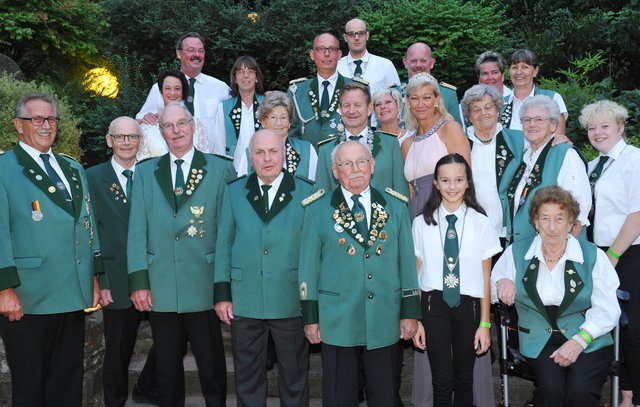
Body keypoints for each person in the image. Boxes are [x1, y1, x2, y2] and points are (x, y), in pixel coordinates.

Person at [127, 103, 235, 407]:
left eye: (181, 123)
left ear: (193, 125)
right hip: (161, 285)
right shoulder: (146, 171)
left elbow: (227, 232)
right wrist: (138, 282)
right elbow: (136, 230)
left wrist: (224, 286)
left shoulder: (220, 169)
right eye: (168, 126)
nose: (176, 131)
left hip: (204, 283)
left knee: (211, 364)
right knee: (166, 367)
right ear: (161, 132)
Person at [299, 140, 421, 406]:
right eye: (346, 163)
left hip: (384, 318)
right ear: (335, 170)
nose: (355, 169)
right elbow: (308, 267)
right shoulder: (317, 209)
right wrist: (310, 316)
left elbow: (406, 264)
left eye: (361, 161)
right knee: (339, 397)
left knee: (384, 396)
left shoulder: (395, 206)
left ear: (372, 165)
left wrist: (410, 311)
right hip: (337, 320)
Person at [0, 92, 103, 406]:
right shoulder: (5, 168)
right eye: (37, 119)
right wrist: (4, 288)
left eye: (51, 119)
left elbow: (88, 224)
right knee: (30, 385)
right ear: (19, 125)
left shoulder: (72, 168)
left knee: (68, 381)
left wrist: (94, 277)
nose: (46, 125)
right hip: (29, 295)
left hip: (71, 291)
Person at [493, 186, 620, 407]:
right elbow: (492, 287)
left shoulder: (592, 256)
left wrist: (579, 341)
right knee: (552, 391)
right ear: (535, 221)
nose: (552, 227)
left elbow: (608, 309)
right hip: (538, 339)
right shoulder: (516, 253)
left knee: (580, 390)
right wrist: (501, 283)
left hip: (588, 334)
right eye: (545, 218)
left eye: (559, 219)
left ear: (571, 222)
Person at [214, 129, 313, 406]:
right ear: (250, 157)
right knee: (247, 378)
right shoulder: (235, 192)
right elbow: (224, 243)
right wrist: (222, 293)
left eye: (273, 151)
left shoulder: (307, 191)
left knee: (294, 378)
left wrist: (312, 300)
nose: (267, 158)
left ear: (284, 154)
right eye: (259, 152)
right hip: (246, 300)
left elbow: (314, 251)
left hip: (291, 299)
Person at [412, 153, 500, 406]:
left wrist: (485, 324)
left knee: (464, 379)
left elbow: (486, 277)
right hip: (433, 305)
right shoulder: (421, 223)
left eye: (458, 180)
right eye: (446, 180)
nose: (452, 187)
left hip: (468, 306)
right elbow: (416, 276)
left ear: (467, 183)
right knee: (440, 380)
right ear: (436, 184)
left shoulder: (481, 223)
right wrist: (417, 319)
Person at [87, 117, 159, 406]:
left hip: (153, 275)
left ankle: (147, 386)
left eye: (132, 136)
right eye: (120, 137)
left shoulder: (152, 174)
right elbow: (89, 230)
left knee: (174, 340)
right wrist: (100, 279)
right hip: (114, 278)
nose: (127, 142)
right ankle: (113, 402)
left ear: (141, 140)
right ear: (109, 141)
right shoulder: (91, 177)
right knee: (117, 350)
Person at [579, 100, 640, 407]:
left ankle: (634, 397)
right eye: (592, 127)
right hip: (600, 255)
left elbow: (638, 214)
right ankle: (625, 397)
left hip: (629, 253)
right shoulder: (593, 166)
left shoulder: (634, 160)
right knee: (614, 329)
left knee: (633, 330)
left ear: (620, 127)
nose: (598, 132)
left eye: (605, 126)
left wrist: (613, 255)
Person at [505, 95, 591, 244]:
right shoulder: (525, 157)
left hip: (554, 248)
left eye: (539, 119)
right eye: (527, 120)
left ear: (553, 125)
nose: (532, 124)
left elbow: (579, 210)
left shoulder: (565, 154)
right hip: (523, 245)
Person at [136, 32, 230, 150]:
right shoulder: (160, 89)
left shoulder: (221, 88)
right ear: (178, 53)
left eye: (201, 51)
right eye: (191, 50)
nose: (197, 54)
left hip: (210, 160)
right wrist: (144, 119)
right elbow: (138, 123)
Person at [314, 81, 408, 197]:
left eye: (358, 105)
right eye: (346, 105)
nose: (352, 111)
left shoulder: (390, 144)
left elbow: (401, 195)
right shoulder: (326, 149)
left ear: (369, 109)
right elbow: (321, 198)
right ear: (340, 109)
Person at [401, 73, 470, 219]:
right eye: (414, 98)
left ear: (437, 99)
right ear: (408, 101)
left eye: (426, 98)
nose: (420, 104)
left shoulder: (450, 129)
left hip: (446, 208)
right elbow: (410, 190)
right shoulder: (407, 144)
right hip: (417, 212)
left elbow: (465, 176)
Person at [288, 32, 352, 148]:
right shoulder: (296, 91)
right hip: (308, 161)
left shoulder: (355, 88)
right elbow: (291, 133)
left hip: (344, 161)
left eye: (332, 49)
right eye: (321, 49)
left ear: (339, 55)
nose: (326, 54)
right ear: (312, 54)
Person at [236, 91, 318, 180]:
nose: (278, 123)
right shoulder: (250, 153)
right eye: (273, 117)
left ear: (290, 122)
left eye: (283, 117)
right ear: (263, 121)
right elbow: (242, 187)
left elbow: (317, 186)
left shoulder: (307, 150)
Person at [336, 18, 400, 127]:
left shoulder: (385, 65)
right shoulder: (336, 67)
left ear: (367, 35)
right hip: (343, 131)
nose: (356, 38)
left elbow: (397, 101)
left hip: (378, 130)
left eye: (360, 33)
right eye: (351, 34)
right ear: (345, 37)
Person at [137, 69, 209, 160]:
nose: (172, 93)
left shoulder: (197, 125)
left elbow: (204, 157)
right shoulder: (149, 126)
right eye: (167, 88)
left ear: (183, 92)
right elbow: (142, 163)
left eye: (177, 88)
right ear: (161, 92)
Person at [212, 56, 264, 170]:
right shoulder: (224, 107)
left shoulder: (266, 104)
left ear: (256, 78)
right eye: (240, 72)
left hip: (263, 168)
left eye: (250, 71)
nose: (245, 75)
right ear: (235, 78)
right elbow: (219, 143)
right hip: (233, 169)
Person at [501, 49, 568, 135]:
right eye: (514, 67)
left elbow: (559, 140)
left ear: (535, 71)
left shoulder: (552, 98)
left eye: (525, 67)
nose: (518, 72)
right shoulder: (500, 104)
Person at [398, 42, 462, 125]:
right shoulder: (394, 94)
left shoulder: (448, 94)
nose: (418, 65)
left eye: (423, 61)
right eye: (413, 61)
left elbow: (456, 132)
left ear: (432, 63)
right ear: (405, 63)